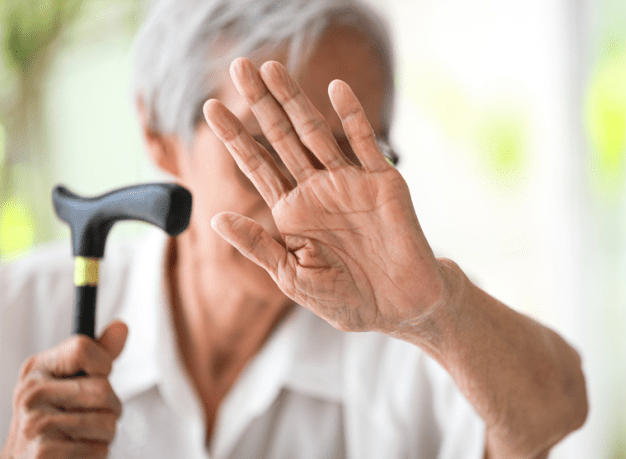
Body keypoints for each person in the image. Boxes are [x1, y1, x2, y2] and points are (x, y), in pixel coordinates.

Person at [0, 0, 588, 457]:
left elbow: (557, 411)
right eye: (262, 149)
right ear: (159, 136)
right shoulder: (17, 312)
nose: (302, 209)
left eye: (345, 157)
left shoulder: (418, 333)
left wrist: (432, 312)